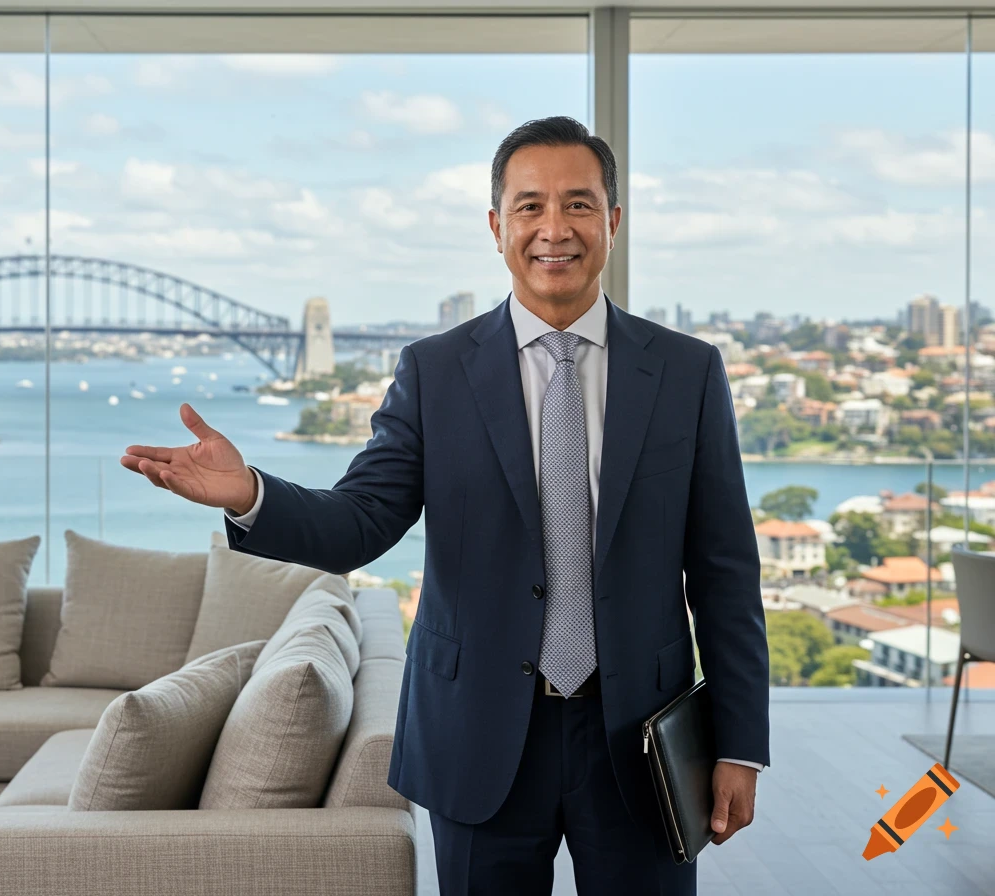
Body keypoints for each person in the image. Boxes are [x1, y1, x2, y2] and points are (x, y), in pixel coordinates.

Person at [121, 115, 770, 895]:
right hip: (479, 735)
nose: (553, 229)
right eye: (529, 207)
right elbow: (360, 522)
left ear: (615, 221)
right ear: (497, 227)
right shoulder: (432, 371)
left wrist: (740, 742)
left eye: (579, 204)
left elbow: (727, 573)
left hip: (642, 737)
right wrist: (252, 493)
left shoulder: (687, 372)